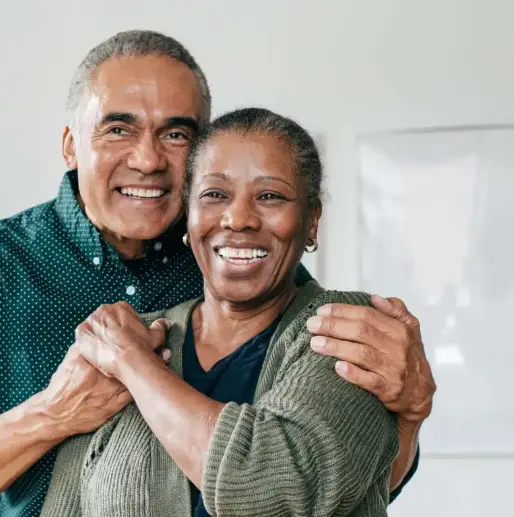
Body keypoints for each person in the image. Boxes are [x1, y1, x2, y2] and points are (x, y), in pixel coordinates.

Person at [0, 31, 435, 517]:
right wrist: (52, 414)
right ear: (72, 145)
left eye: (175, 134)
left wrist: (406, 420)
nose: (148, 160)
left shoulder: (236, 262)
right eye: (118, 129)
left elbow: (326, 480)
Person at [39, 107, 402, 517]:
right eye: (215, 195)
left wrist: (133, 365)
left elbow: (274, 487)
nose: (239, 219)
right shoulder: (130, 337)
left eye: (270, 196)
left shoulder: (347, 328)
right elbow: (65, 507)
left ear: (311, 221)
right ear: (188, 216)